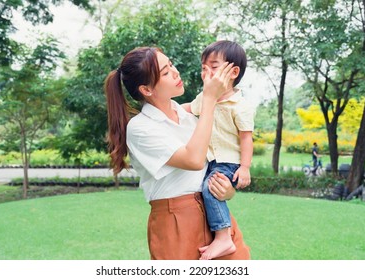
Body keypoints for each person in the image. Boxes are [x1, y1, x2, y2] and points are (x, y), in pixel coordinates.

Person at [104, 46, 250, 260]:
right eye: (165, 72)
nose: (175, 72)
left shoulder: (189, 116)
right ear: (146, 89)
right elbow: (194, 160)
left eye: (171, 64)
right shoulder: (141, 128)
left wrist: (228, 191)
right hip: (176, 222)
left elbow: (213, 163)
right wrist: (209, 99)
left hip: (217, 219)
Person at [182, 40, 255, 260]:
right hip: (210, 161)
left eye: (214, 67)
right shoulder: (204, 98)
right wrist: (166, 108)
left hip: (229, 163)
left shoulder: (240, 105)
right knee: (200, 190)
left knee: (210, 189)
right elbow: (187, 109)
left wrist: (245, 167)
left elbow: (246, 138)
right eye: (204, 68)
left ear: (233, 72)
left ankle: (224, 237)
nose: (207, 72)